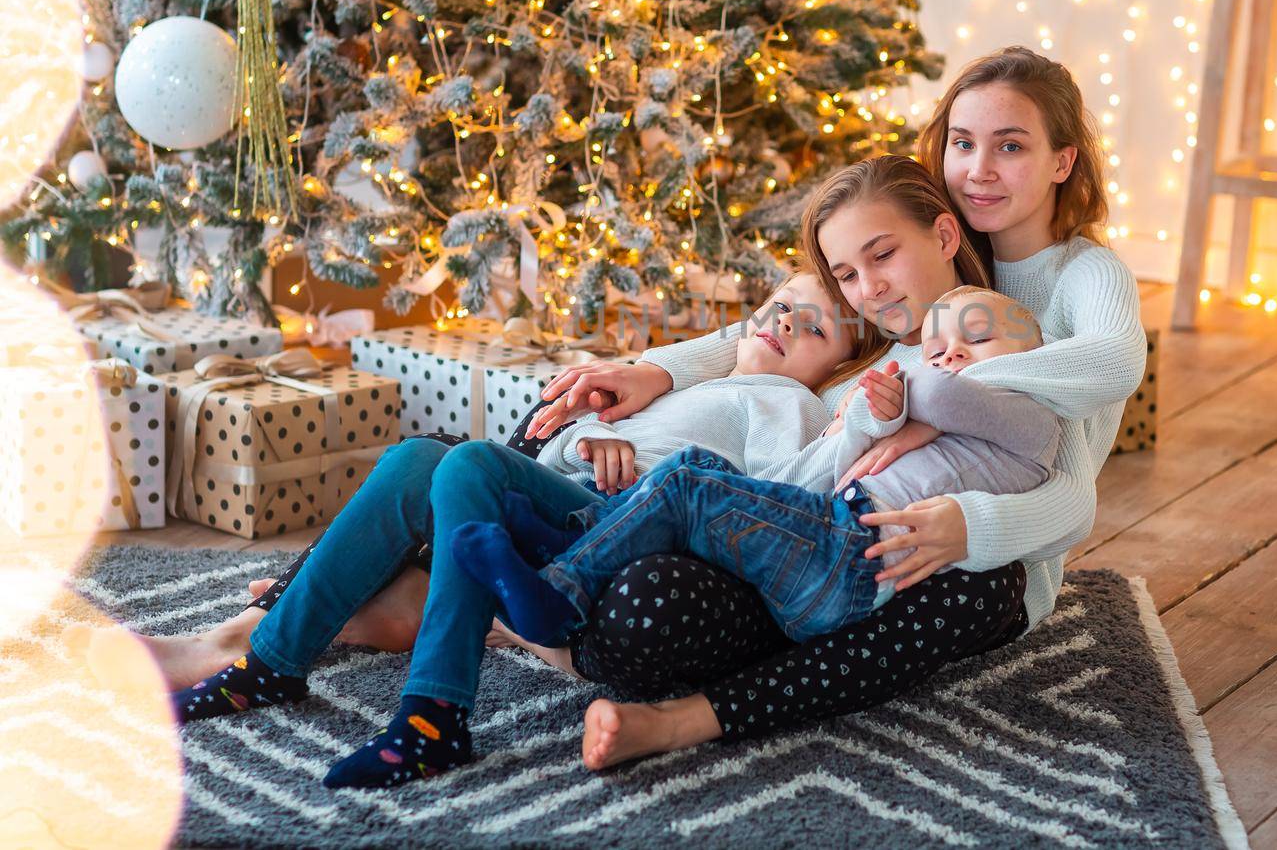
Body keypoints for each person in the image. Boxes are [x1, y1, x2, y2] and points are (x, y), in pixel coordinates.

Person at [135, 45, 1146, 776]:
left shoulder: (1064, 286)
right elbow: (775, 335)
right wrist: (652, 370)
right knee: (448, 470)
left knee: (636, 592)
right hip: (755, 513)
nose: (979, 168)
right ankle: (278, 638)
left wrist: (955, 438)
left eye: (1009, 145)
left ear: (1063, 157)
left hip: (953, 553)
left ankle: (406, 620)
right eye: (962, 142)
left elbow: (1078, 449)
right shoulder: (904, 266)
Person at [163, 272, 879, 790]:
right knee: (418, 459)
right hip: (571, 498)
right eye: (780, 305)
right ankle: (273, 662)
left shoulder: (794, 408)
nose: (784, 322)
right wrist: (598, 437)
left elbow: (761, 511)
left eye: (812, 325)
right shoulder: (685, 376)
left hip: (629, 535)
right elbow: (571, 443)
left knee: (469, 462)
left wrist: (641, 480)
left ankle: (432, 717)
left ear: (840, 365)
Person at [459, 286, 1059, 648]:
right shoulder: (951, 414)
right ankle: (571, 539)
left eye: (977, 340)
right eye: (936, 346)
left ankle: (557, 596)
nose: (950, 353)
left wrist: (900, 386)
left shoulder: (1031, 418)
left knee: (693, 481)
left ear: (1031, 361)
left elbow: (946, 394)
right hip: (827, 537)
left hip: (848, 564)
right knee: (692, 475)